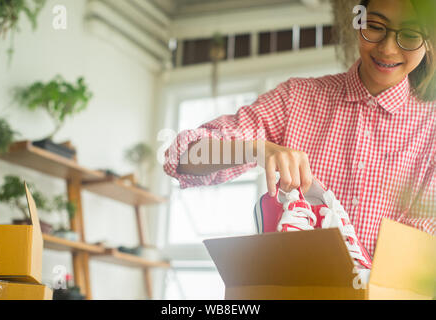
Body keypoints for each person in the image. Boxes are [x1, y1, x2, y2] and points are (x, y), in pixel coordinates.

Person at [163, 0, 435, 256]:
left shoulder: (431, 129)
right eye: (375, 26)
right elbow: (186, 157)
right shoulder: (296, 98)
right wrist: (256, 149)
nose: (387, 48)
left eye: (410, 33)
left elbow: (420, 256)